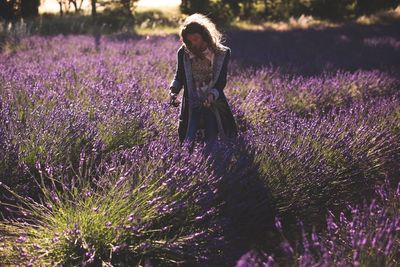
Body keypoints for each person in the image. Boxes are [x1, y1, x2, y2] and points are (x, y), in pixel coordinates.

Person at [169, 13, 238, 156]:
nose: (193, 44)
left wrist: (212, 95)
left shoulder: (221, 53)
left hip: (212, 101)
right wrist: (173, 90)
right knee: (188, 135)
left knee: (211, 134)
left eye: (196, 39)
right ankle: (186, 162)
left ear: (204, 36)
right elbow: (179, 76)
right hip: (192, 101)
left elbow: (220, 82)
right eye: (189, 41)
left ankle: (212, 163)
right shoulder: (184, 52)